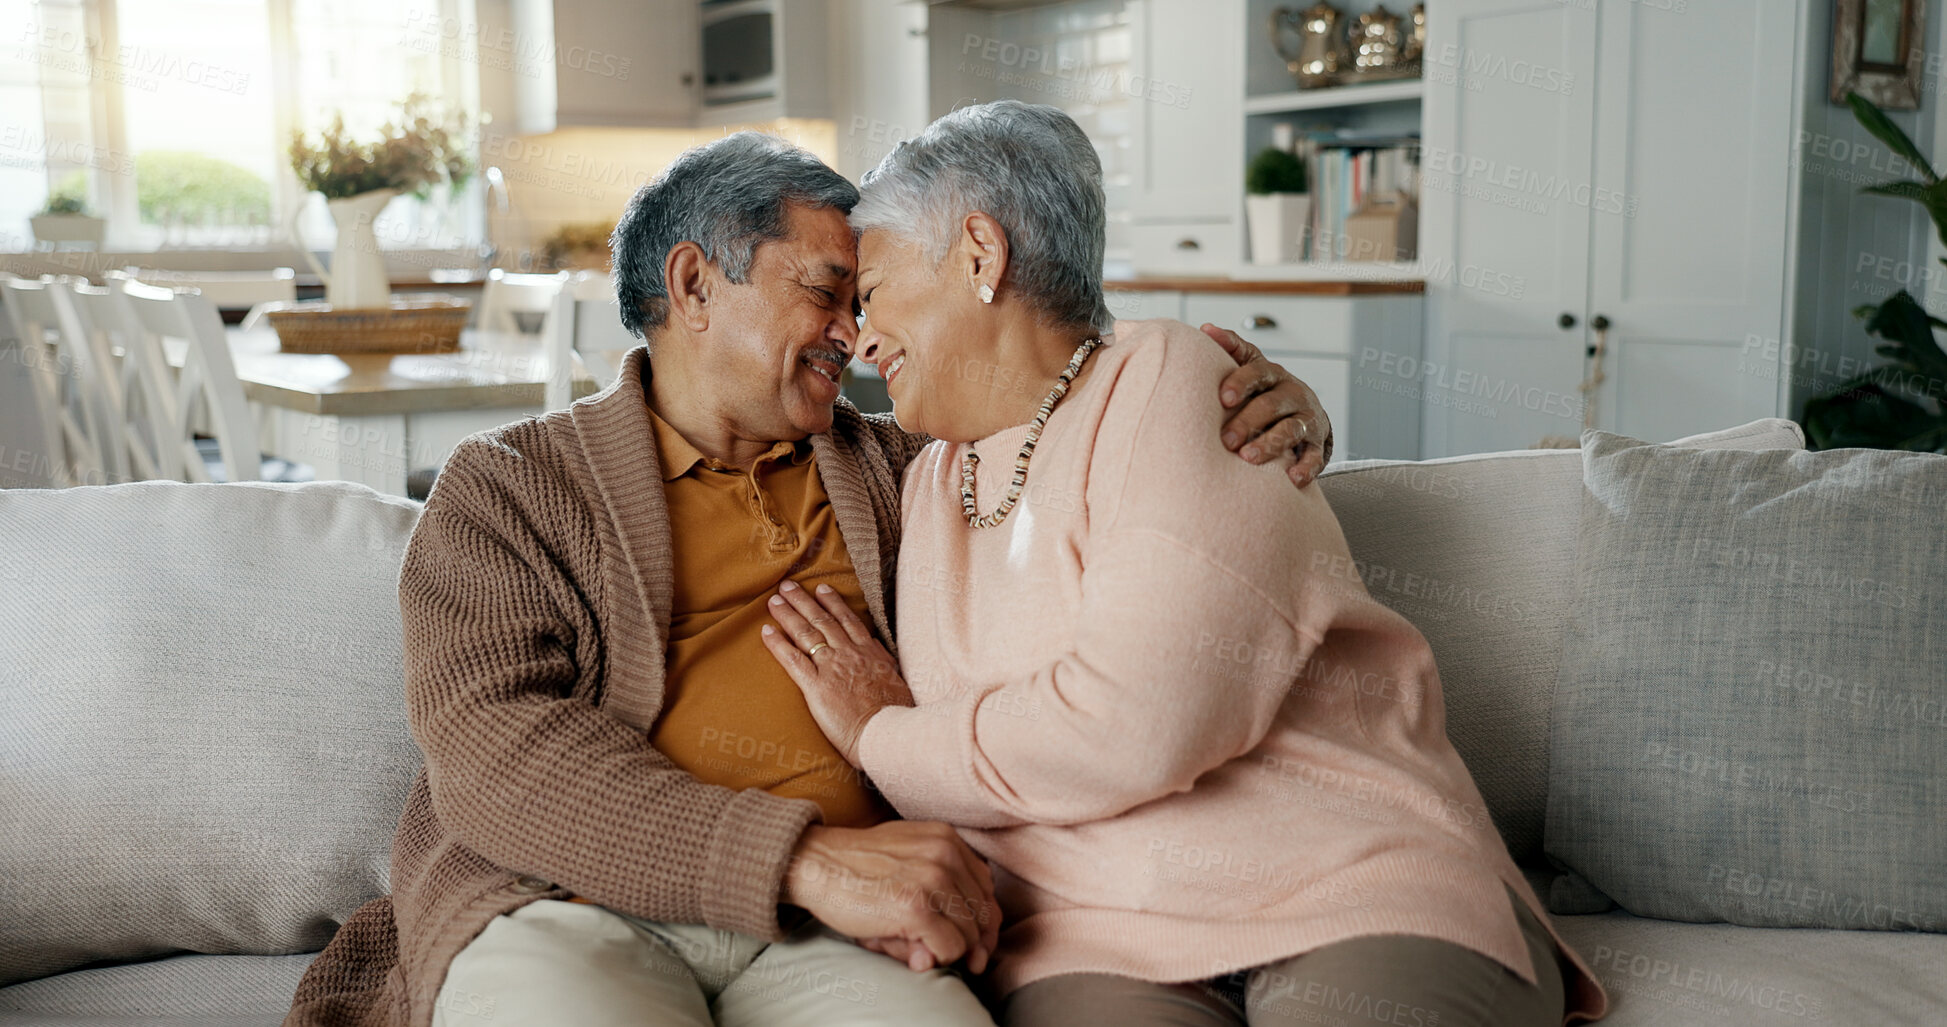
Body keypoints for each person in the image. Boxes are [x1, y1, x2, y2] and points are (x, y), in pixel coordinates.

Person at [282, 131, 1336, 1027]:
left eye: (868, 295)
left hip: (839, 927)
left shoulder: (906, 469)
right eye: (832, 292)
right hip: (567, 898)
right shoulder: (508, 489)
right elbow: (499, 755)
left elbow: (1081, 433)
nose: (859, 335)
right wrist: (802, 860)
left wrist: (1261, 410)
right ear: (695, 284)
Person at [763, 101, 1611, 1027]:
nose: (858, 335)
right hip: (1088, 933)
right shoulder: (913, 473)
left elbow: (1138, 721)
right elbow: (736, 439)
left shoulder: (1167, 380)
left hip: (1341, 882)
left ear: (979, 255)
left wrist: (879, 732)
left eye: (873, 293)